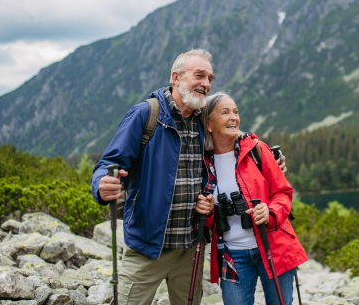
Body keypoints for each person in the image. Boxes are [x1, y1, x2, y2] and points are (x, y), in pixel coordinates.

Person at [91, 49, 286, 305]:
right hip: (148, 245)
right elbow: (110, 163)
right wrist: (102, 184)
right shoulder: (146, 115)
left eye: (210, 79)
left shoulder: (202, 121)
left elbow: (234, 136)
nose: (206, 84)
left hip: (191, 248)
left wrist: (269, 158)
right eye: (199, 76)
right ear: (176, 77)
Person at [201, 92, 307, 305]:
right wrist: (207, 210)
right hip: (232, 255)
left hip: (272, 246)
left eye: (236, 112)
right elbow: (210, 223)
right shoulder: (203, 164)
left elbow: (283, 193)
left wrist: (270, 212)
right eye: (225, 112)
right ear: (209, 124)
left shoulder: (255, 149)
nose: (234, 117)